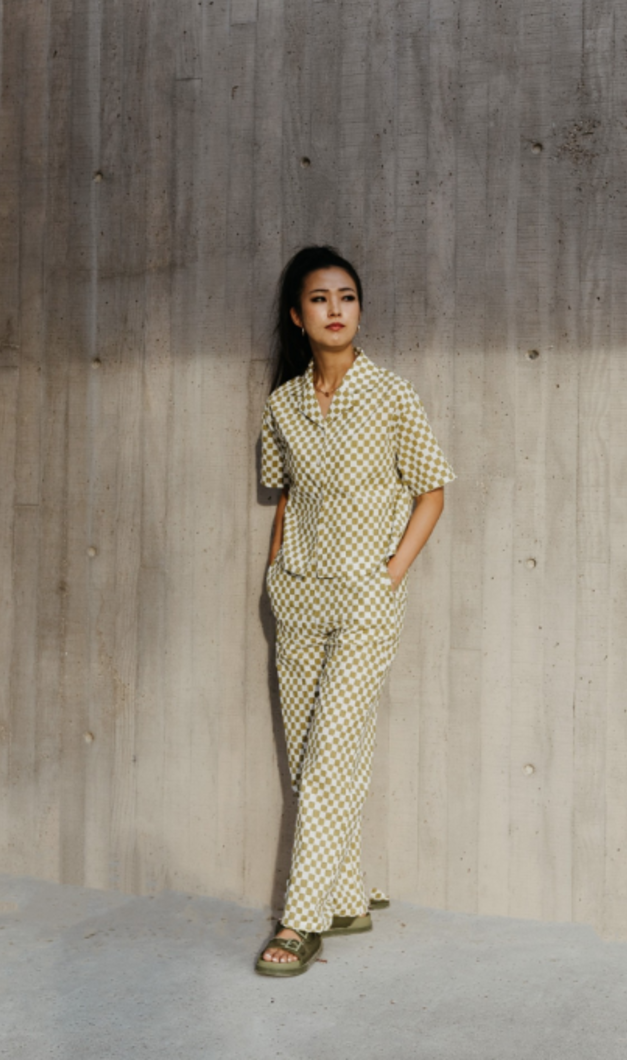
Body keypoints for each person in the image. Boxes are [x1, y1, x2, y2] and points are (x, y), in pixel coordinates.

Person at [255, 246, 455, 977]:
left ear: (359, 310)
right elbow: (285, 496)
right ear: (297, 316)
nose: (335, 309)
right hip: (298, 594)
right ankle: (344, 899)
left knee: (333, 752)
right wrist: (275, 570)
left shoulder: (392, 394)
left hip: (366, 599)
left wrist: (390, 575)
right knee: (307, 756)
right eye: (319, 298)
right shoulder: (283, 405)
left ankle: (299, 922)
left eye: (346, 296)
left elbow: (432, 490)